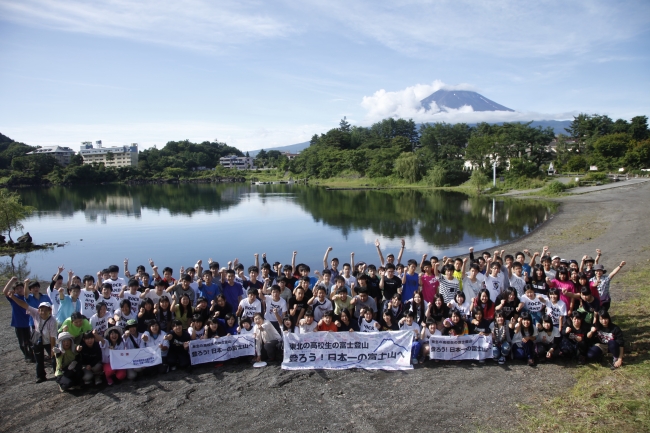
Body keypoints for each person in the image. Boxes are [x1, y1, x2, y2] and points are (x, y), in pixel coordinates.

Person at [5, 289, 57, 383]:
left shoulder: (53, 321)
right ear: (39, 310)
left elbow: (53, 336)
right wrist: (12, 297)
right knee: (39, 360)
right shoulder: (35, 313)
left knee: (54, 358)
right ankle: (40, 376)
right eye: (41, 310)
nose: (43, 312)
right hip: (38, 340)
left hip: (48, 341)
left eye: (46, 310)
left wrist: (53, 349)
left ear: (50, 311)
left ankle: (57, 374)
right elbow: (23, 305)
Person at [3, 277, 33, 362]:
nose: (19, 290)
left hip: (29, 323)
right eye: (17, 289)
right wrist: (12, 281)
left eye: (21, 288)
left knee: (30, 340)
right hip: (18, 323)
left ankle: (32, 354)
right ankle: (26, 355)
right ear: (15, 290)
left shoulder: (27, 297)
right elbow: (5, 291)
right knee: (22, 342)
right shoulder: (13, 297)